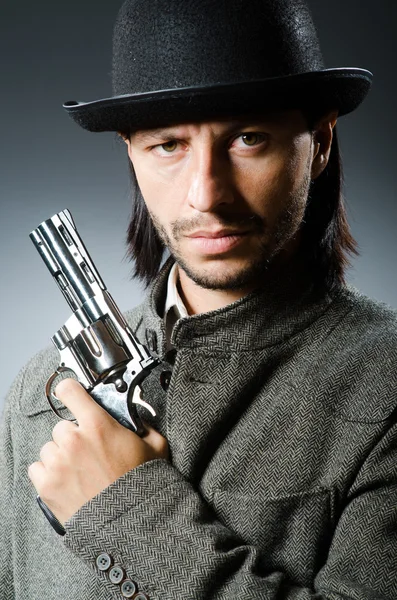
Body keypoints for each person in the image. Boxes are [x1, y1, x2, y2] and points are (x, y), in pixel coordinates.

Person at [1, 0, 396, 598]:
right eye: (169, 145)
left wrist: (129, 512)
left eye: (248, 138)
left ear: (318, 145)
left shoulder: (384, 384)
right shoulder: (40, 392)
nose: (206, 195)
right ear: (131, 155)